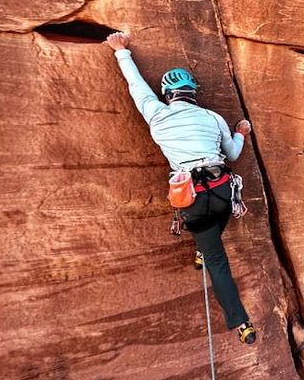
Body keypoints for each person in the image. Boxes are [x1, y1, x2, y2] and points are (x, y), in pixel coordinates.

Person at [105, 31, 257, 344]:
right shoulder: (212, 117)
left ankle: (242, 322)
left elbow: (137, 87)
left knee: (216, 260)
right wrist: (241, 131)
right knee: (217, 219)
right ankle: (203, 249)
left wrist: (121, 50)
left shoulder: (156, 114)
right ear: (193, 93)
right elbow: (232, 154)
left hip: (194, 198)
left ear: (167, 94)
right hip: (223, 190)